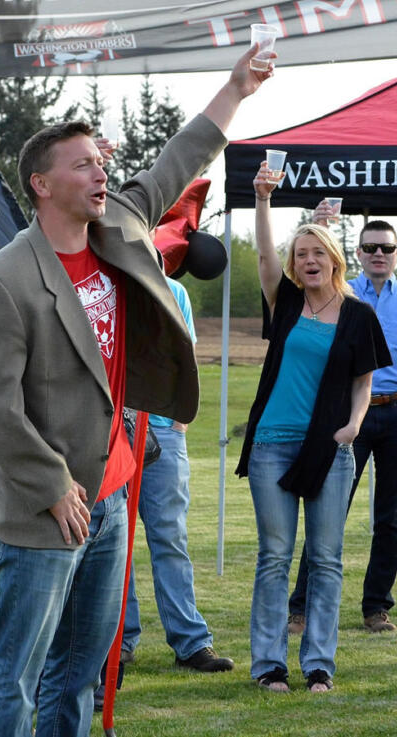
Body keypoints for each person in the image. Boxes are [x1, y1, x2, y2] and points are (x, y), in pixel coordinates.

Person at [0, 44, 274, 737]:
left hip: (112, 491)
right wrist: (52, 484)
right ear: (43, 184)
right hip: (47, 507)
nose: (101, 173)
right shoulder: (4, 280)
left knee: (81, 670)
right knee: (18, 674)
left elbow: (178, 161)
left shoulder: (121, 226)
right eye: (83, 164)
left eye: (101, 163)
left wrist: (235, 89)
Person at [240, 179, 390, 692]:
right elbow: (262, 252)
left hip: (329, 450)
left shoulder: (359, 315)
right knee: (275, 557)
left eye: (316, 252)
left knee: (326, 559)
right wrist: (262, 199)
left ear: (333, 260)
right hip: (270, 446)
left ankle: (319, 664)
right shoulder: (284, 303)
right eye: (300, 254)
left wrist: (352, 425)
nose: (308, 260)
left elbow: (364, 381)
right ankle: (268, 666)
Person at [289, 216, 397, 634]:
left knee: (390, 518)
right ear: (357, 253)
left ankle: (376, 607)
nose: (378, 254)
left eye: (386, 248)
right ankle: (301, 607)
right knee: (329, 512)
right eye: (370, 247)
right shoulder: (336, 296)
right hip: (346, 419)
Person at [122, 274, 234, 671]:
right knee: (113, 540)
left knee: (170, 537)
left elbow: (184, 359)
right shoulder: (97, 278)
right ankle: (117, 642)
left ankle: (190, 643)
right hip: (110, 428)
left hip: (163, 431)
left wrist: (179, 421)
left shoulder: (175, 291)